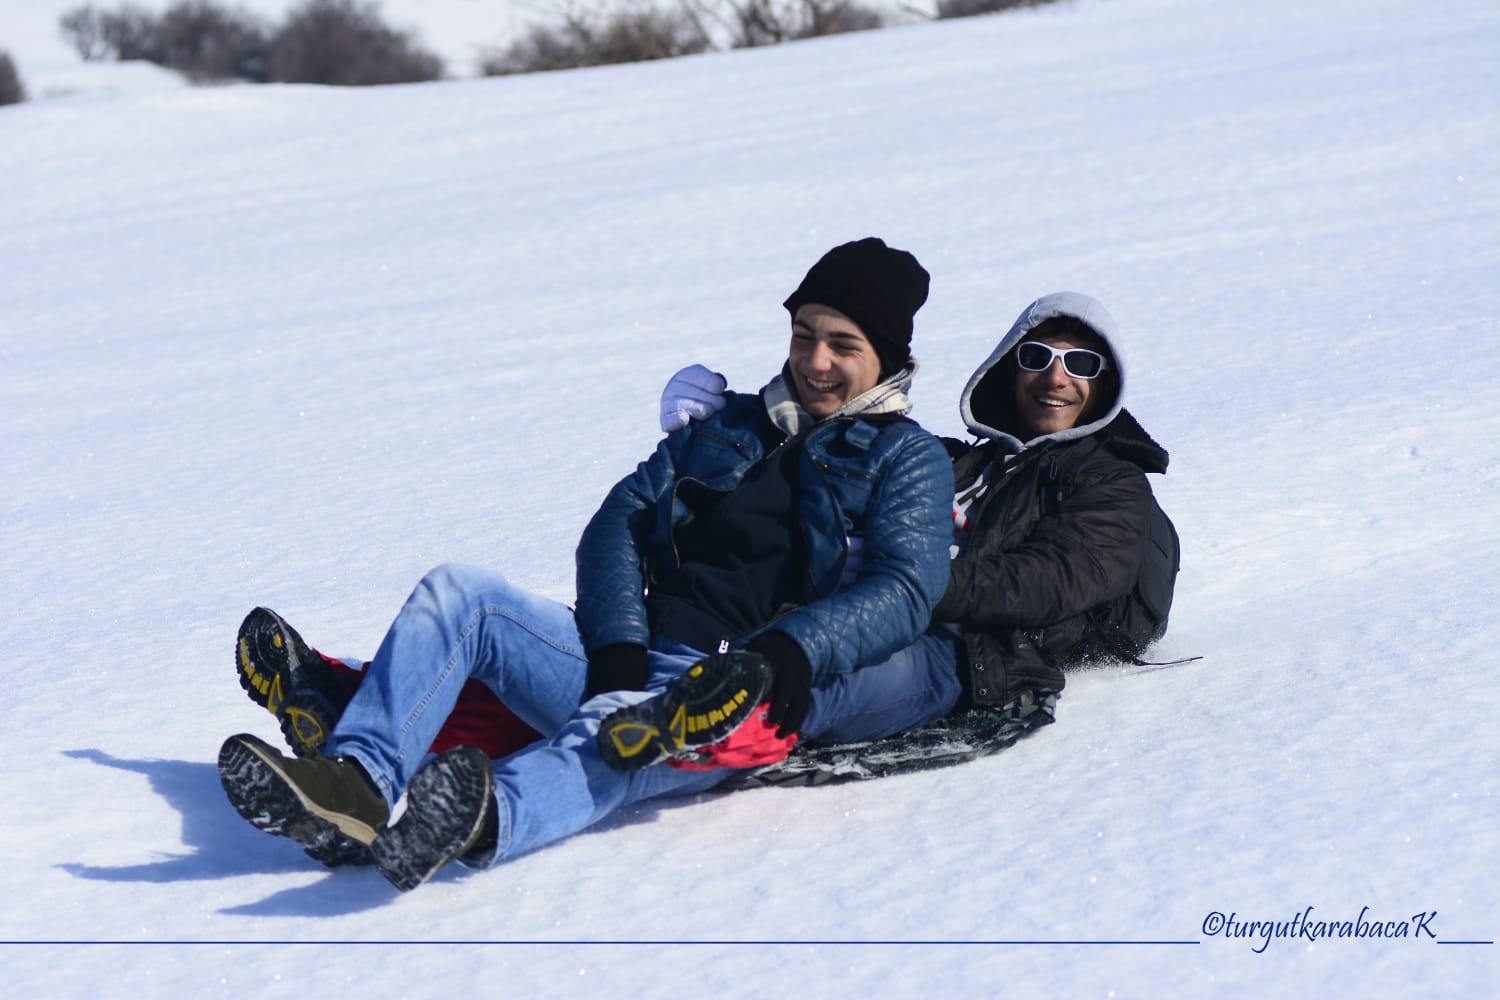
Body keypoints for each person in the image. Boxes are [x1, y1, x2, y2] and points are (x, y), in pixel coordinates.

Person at [217, 237, 959, 891]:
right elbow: (619, 522)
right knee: (461, 594)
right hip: (627, 649)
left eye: (842, 345)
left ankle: (481, 820)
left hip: (723, 693)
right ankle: (356, 785)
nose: (816, 361)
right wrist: (616, 654)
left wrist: (787, 654)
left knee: (610, 737)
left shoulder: (908, 459)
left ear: (886, 358)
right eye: (803, 336)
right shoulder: (733, 423)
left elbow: (905, 588)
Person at [659, 289, 1178, 766]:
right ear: (1010, 367)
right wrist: (731, 423)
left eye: (1081, 364)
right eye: (1036, 357)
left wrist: (906, 580)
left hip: (970, 652)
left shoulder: (1114, 484)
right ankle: (662, 700)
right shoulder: (969, 463)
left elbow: (1053, 579)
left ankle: (698, 730)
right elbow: (846, 452)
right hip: (873, 614)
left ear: (1104, 383)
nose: (1056, 378)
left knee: (810, 683)